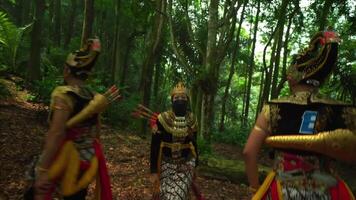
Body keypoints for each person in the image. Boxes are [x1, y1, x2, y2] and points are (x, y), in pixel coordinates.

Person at [243, 29, 356, 199]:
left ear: (292, 77)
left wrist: (254, 188)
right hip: (328, 190)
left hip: (283, 188)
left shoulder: (273, 108)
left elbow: (248, 152)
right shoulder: (344, 110)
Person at [33, 39, 113, 200]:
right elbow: (97, 131)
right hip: (87, 158)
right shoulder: (93, 96)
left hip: (64, 159)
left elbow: (56, 133)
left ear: (66, 70)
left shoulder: (63, 95)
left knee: (36, 188)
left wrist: (42, 169)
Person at [150, 82, 199, 200]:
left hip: (186, 165)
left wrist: (197, 165)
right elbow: (155, 145)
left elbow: (195, 144)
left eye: (183, 97)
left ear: (187, 100)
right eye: (177, 98)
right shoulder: (162, 118)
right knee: (164, 196)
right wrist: (153, 171)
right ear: (172, 100)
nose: (180, 100)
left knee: (176, 197)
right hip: (166, 165)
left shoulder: (192, 119)